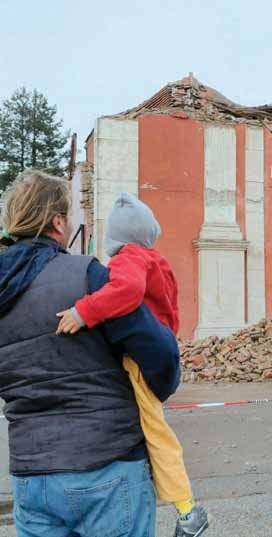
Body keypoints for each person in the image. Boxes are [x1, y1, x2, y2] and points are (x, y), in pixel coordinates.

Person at [0, 170, 180, 537]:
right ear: (57, 221)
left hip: (31, 477)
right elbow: (160, 353)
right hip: (107, 466)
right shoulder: (87, 276)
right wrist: (150, 393)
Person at [56, 193, 209, 537]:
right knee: (151, 428)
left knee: (155, 433)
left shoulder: (129, 258)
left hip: (138, 361)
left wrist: (84, 311)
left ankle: (188, 510)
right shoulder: (155, 259)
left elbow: (127, 291)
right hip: (155, 356)